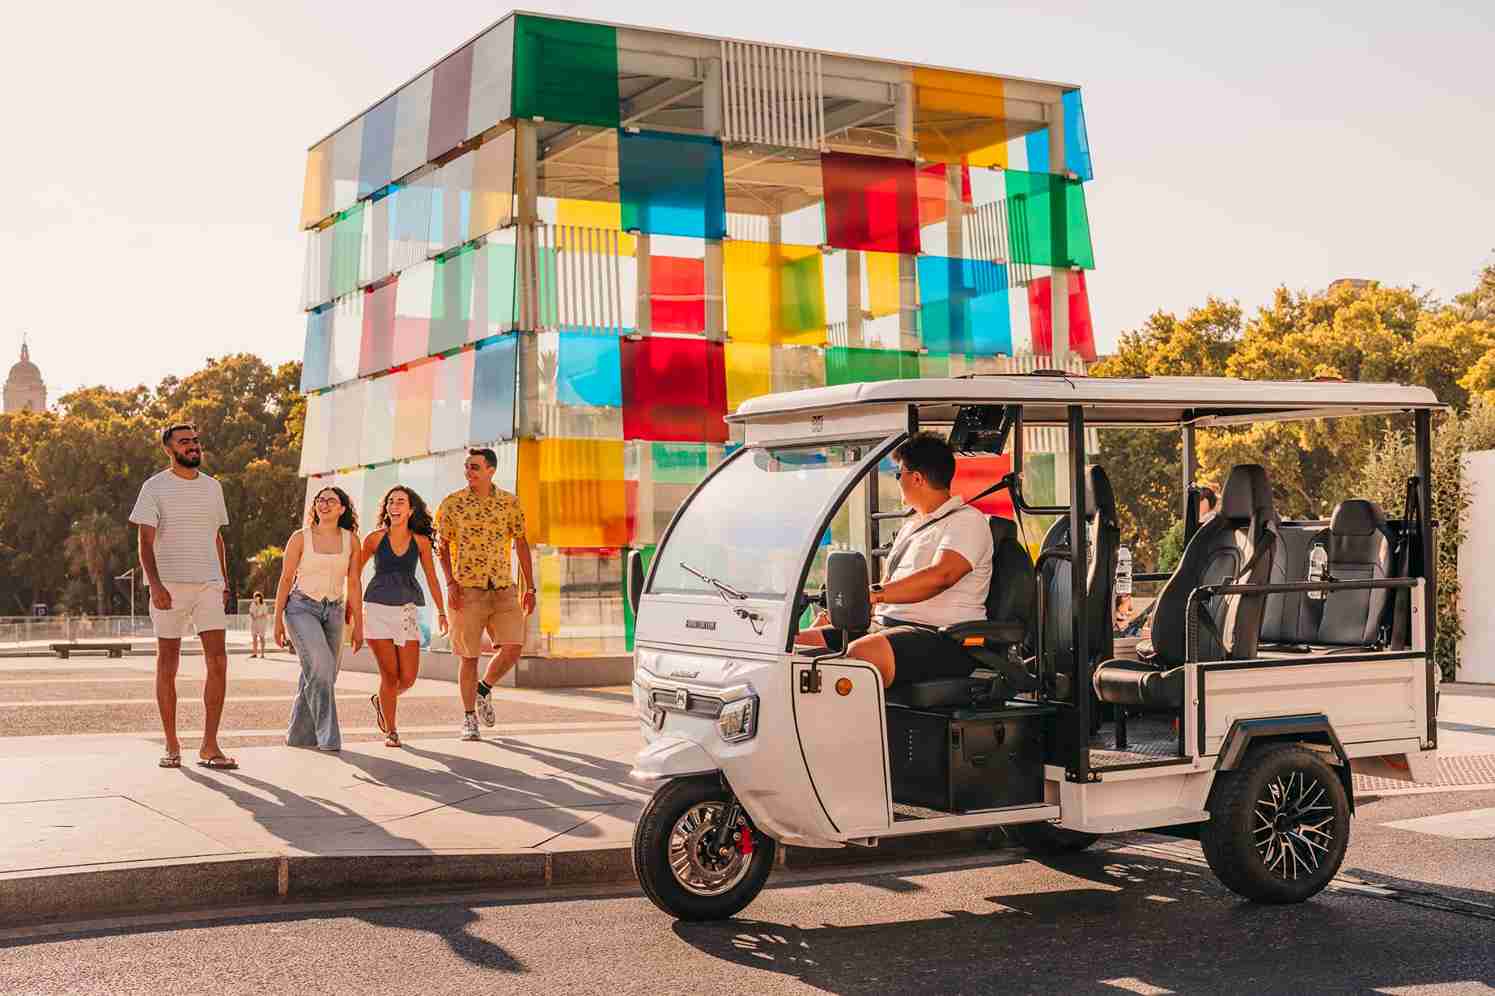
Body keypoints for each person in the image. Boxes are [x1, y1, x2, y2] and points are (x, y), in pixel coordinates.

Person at [795, 432, 993, 688]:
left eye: (899, 474)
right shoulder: (912, 526)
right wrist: (845, 612)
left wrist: (875, 594)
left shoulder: (967, 521)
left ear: (917, 478)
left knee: (860, 656)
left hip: (942, 636)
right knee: (798, 645)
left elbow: (942, 576)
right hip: (886, 626)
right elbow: (891, 584)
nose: (897, 481)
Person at [128, 423, 235, 770]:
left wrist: (224, 581)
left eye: (195, 441)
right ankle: (172, 744)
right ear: (169, 449)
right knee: (168, 663)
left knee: (218, 661)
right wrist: (155, 585)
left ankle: (209, 745)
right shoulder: (154, 487)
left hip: (209, 584)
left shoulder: (213, 487)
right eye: (184, 442)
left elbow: (217, 537)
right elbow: (144, 542)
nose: (192, 446)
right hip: (170, 585)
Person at [435, 448, 536, 742]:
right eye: (467, 467)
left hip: (503, 587)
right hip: (467, 590)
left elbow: (521, 543)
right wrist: (451, 584)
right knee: (469, 656)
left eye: (475, 467)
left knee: (514, 647)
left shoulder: (509, 503)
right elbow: (441, 547)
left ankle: (483, 689)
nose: (469, 472)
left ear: (491, 470)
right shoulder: (452, 504)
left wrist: (530, 587)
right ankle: (469, 719)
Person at [272, 487, 363, 752]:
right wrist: (277, 621)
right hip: (301, 608)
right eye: (320, 500)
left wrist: (358, 625)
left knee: (321, 674)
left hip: (334, 610)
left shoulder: (351, 540)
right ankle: (329, 738)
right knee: (321, 667)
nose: (324, 504)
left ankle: (298, 736)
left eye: (331, 501)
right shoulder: (300, 538)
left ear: (342, 509)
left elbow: (354, 583)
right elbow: (285, 580)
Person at [362, 486, 446, 748]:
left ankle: (382, 700)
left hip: (407, 610)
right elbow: (353, 573)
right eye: (391, 501)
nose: (394, 505)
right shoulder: (374, 539)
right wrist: (350, 608)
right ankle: (392, 730)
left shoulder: (420, 542)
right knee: (389, 676)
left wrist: (442, 611)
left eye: (401, 501)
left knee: (407, 678)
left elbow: (432, 577)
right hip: (376, 609)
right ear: (387, 508)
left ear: (410, 510)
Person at [248, 592, 272, 657]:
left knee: (261, 637)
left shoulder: (263, 604)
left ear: (260, 597)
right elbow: (251, 612)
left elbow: (265, 614)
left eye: (257, 597)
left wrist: (259, 616)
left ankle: (262, 653)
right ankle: (255, 653)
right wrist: (253, 617)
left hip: (262, 623)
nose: (256, 598)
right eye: (255, 597)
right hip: (254, 623)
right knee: (254, 638)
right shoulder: (252, 604)